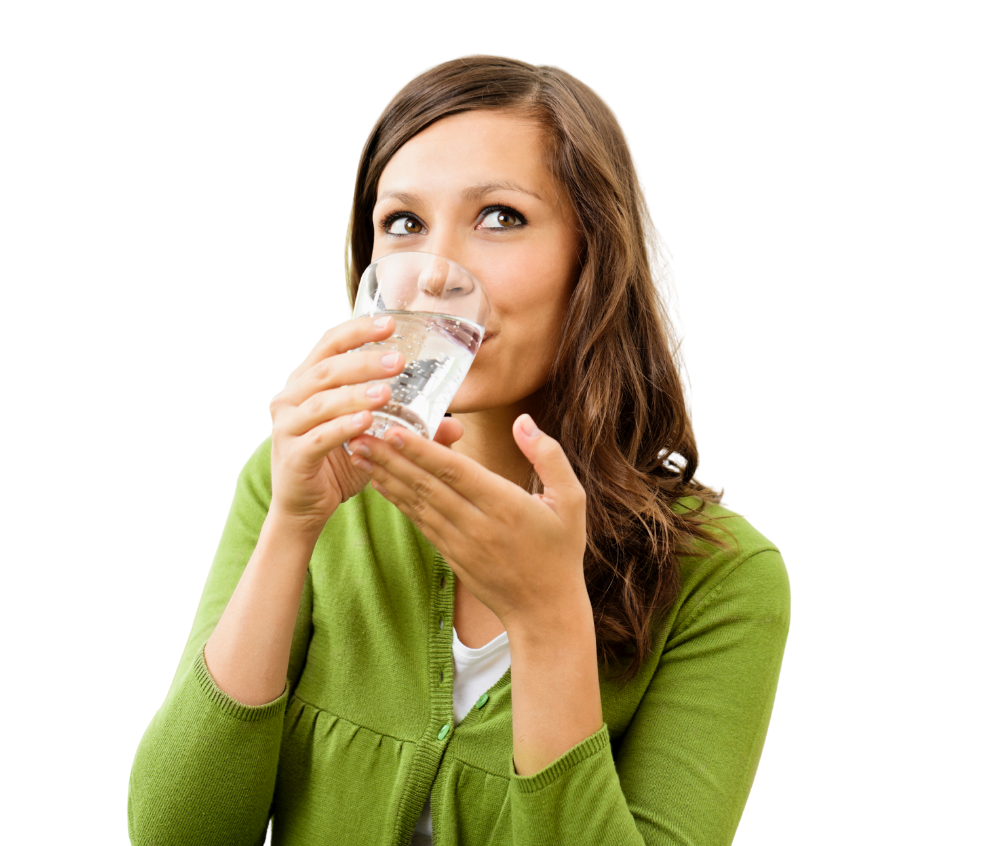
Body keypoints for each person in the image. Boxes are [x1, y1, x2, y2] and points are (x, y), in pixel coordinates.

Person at [127, 55, 791, 846]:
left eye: (500, 217)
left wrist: (548, 620)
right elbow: (175, 833)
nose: (433, 276)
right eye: (402, 224)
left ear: (596, 258)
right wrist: (292, 530)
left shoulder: (726, 577)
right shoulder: (292, 479)